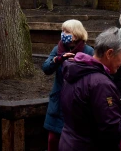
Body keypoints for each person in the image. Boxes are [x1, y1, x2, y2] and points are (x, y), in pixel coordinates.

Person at [59, 27, 121, 151]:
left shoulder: (76, 70)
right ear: (109, 53)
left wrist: (114, 108)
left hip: (69, 142)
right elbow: (112, 131)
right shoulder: (100, 83)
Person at [42, 19, 94, 151]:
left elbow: (94, 74)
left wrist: (78, 63)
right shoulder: (58, 48)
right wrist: (58, 60)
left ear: (76, 34)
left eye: (67, 31)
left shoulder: (88, 51)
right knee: (53, 140)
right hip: (58, 101)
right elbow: (46, 68)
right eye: (62, 31)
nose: (63, 34)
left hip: (78, 102)